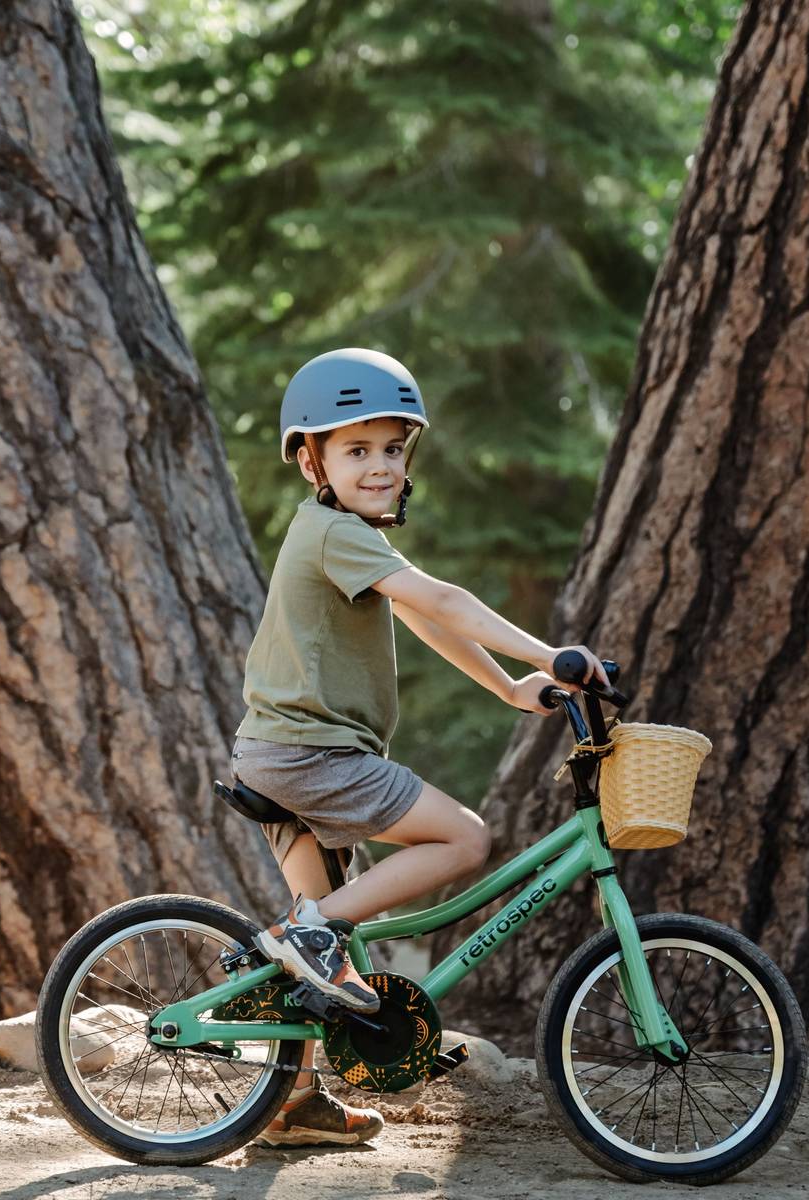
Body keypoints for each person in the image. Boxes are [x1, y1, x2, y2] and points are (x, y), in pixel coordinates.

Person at [232, 347, 607, 1148]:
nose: (379, 467)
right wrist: (552, 656)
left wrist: (509, 688)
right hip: (312, 757)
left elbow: (424, 616)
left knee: (319, 949)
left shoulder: (345, 540)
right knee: (466, 838)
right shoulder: (333, 532)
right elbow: (445, 597)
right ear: (312, 460)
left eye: (392, 449)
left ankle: (293, 1103)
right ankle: (309, 935)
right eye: (355, 448)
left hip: (280, 753)